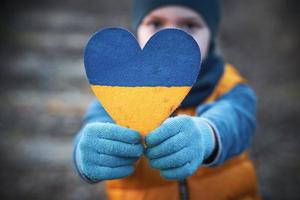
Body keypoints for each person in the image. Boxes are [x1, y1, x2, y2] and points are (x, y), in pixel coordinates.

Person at [73, 0, 261, 199]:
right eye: (156, 24)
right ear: (138, 30)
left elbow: (236, 120)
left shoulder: (230, 87)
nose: (170, 37)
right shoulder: (115, 95)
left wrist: (206, 135)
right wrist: (85, 155)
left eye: (189, 25)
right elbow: (95, 124)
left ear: (211, 35)